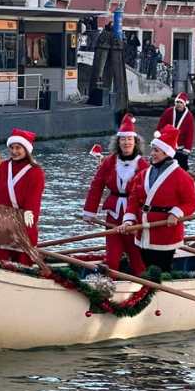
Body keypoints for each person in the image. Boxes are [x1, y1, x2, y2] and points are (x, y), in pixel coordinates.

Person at [118, 125, 195, 272]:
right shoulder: (144, 174)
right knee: (147, 266)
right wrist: (128, 219)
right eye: (152, 150)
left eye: (156, 150)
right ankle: (148, 289)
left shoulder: (182, 177)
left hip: (165, 231)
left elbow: (191, 202)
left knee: (161, 268)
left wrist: (176, 213)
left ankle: (159, 290)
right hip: (144, 231)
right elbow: (134, 199)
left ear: (167, 153)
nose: (152, 154)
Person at [82, 115, 148, 273]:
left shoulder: (143, 164)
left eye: (130, 139)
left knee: (137, 258)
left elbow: (148, 193)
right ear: (118, 142)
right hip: (113, 215)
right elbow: (96, 186)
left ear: (135, 142)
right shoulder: (109, 162)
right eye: (123, 139)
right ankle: (110, 287)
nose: (126, 143)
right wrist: (89, 212)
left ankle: (144, 289)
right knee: (112, 259)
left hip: (135, 219)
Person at [0, 129, 46, 266]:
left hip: (22, 227)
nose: (14, 151)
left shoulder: (36, 173)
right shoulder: (2, 167)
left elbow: (33, 207)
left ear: (26, 149)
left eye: (18, 148)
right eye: (11, 147)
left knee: (20, 268)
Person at [155, 92, 195, 169]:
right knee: (164, 165)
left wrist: (187, 149)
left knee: (182, 167)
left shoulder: (189, 116)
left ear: (185, 104)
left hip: (180, 147)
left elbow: (190, 134)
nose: (179, 104)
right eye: (177, 102)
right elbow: (161, 125)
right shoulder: (168, 112)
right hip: (167, 145)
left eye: (181, 102)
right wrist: (158, 138)